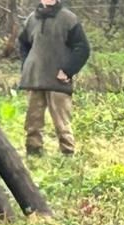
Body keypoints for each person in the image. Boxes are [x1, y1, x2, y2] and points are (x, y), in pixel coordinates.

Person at [16, 0, 91, 157]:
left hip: (58, 80)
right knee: (33, 121)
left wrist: (68, 71)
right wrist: (27, 66)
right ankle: (33, 152)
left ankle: (68, 154)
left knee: (62, 122)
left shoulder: (68, 19)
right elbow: (23, 44)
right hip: (34, 78)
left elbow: (82, 48)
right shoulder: (32, 19)